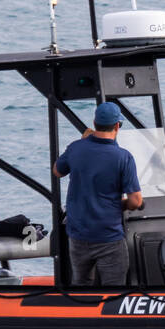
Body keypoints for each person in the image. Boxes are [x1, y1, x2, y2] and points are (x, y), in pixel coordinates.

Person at [52, 101, 143, 287]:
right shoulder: (123, 157)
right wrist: (120, 205)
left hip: (78, 235)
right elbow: (135, 201)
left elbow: (57, 171)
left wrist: (82, 142)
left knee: (81, 285)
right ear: (117, 126)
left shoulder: (76, 148)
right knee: (113, 290)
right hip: (109, 237)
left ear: (94, 123)